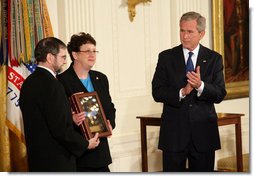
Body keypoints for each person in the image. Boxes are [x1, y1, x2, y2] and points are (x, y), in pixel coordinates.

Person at [152, 11, 227, 172]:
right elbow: (157, 92)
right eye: (182, 31)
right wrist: (182, 92)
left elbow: (220, 93)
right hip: (174, 134)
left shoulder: (214, 58)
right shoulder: (166, 57)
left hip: (203, 135)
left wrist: (200, 85)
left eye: (190, 32)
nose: (184, 36)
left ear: (201, 34)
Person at [19, 37, 100, 172]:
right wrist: (85, 143)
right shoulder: (53, 85)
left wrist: (71, 118)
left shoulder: (28, 82)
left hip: (37, 159)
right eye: (62, 57)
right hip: (57, 161)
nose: (65, 61)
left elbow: (45, 119)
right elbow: (60, 129)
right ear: (50, 58)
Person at [57, 32, 116, 172]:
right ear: (75, 55)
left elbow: (110, 108)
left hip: (100, 152)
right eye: (87, 51)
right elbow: (58, 118)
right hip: (78, 155)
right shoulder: (61, 81)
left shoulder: (101, 78)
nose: (92, 54)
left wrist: (110, 124)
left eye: (94, 50)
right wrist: (72, 119)